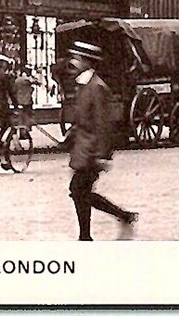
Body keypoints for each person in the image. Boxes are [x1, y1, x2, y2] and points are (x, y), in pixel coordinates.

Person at [63, 40, 137, 241]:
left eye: (77, 58)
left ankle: (91, 233)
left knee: (78, 190)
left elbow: (103, 124)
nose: (73, 62)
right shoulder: (84, 85)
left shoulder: (96, 87)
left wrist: (103, 155)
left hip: (92, 150)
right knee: (80, 191)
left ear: (87, 62)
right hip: (83, 147)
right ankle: (96, 230)